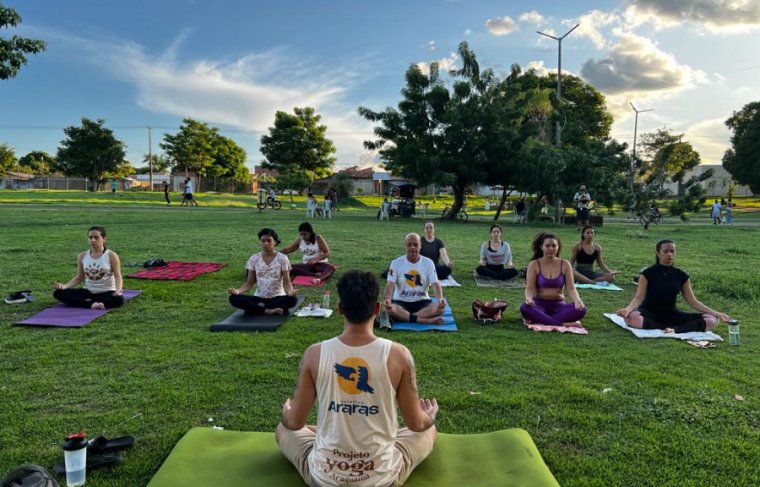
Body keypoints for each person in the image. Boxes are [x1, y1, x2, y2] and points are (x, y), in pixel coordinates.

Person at [277, 270, 438, 487]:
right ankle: (339, 431)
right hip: (381, 478)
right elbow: (417, 423)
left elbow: (295, 423)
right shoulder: (399, 355)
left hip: (324, 478)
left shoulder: (314, 354)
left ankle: (326, 431)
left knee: (283, 428)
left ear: (340, 308)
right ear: (377, 308)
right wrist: (430, 416)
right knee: (429, 429)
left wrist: (287, 413)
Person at [616, 239, 730, 333]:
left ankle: (675, 330)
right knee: (631, 318)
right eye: (665, 251)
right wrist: (627, 309)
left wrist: (717, 313)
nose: (669, 254)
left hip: (671, 314)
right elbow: (639, 297)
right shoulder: (647, 274)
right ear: (658, 253)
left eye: (672, 251)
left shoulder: (681, 275)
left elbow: (693, 301)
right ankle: (662, 328)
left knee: (712, 320)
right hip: (649, 313)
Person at [520, 232, 586, 327]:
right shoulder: (534, 264)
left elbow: (571, 288)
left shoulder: (565, 264)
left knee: (582, 309)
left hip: (559, 306)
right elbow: (529, 288)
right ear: (541, 247)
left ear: (558, 247)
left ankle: (543, 319)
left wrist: (577, 300)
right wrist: (529, 299)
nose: (551, 249)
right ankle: (562, 323)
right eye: (547, 246)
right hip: (539, 305)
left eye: (554, 246)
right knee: (524, 308)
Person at [228, 228, 297, 315]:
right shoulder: (254, 258)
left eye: (269, 241)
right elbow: (249, 283)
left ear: (275, 242)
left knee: (292, 300)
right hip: (259, 297)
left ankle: (256, 308)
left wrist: (290, 291)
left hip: (278, 297)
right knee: (233, 298)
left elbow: (287, 282)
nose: (265, 243)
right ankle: (267, 310)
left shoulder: (282, 258)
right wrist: (238, 291)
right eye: (263, 241)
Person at [53, 226, 124, 310]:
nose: (93, 240)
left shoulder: (111, 255)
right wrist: (64, 286)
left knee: (118, 299)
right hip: (88, 291)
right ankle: (92, 304)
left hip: (107, 291)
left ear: (104, 239)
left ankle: (90, 302)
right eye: (90, 237)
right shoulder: (82, 256)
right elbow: (79, 278)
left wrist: (118, 290)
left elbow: (117, 276)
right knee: (58, 293)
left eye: (96, 237)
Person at [384, 233, 446, 324]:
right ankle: (425, 320)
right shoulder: (395, 263)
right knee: (388, 309)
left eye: (415, 244)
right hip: (400, 301)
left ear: (420, 245)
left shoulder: (428, 263)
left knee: (439, 309)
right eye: (409, 244)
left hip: (422, 302)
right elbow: (390, 284)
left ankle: (405, 317)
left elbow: (435, 284)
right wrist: (387, 299)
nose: (412, 247)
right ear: (405, 245)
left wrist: (440, 299)